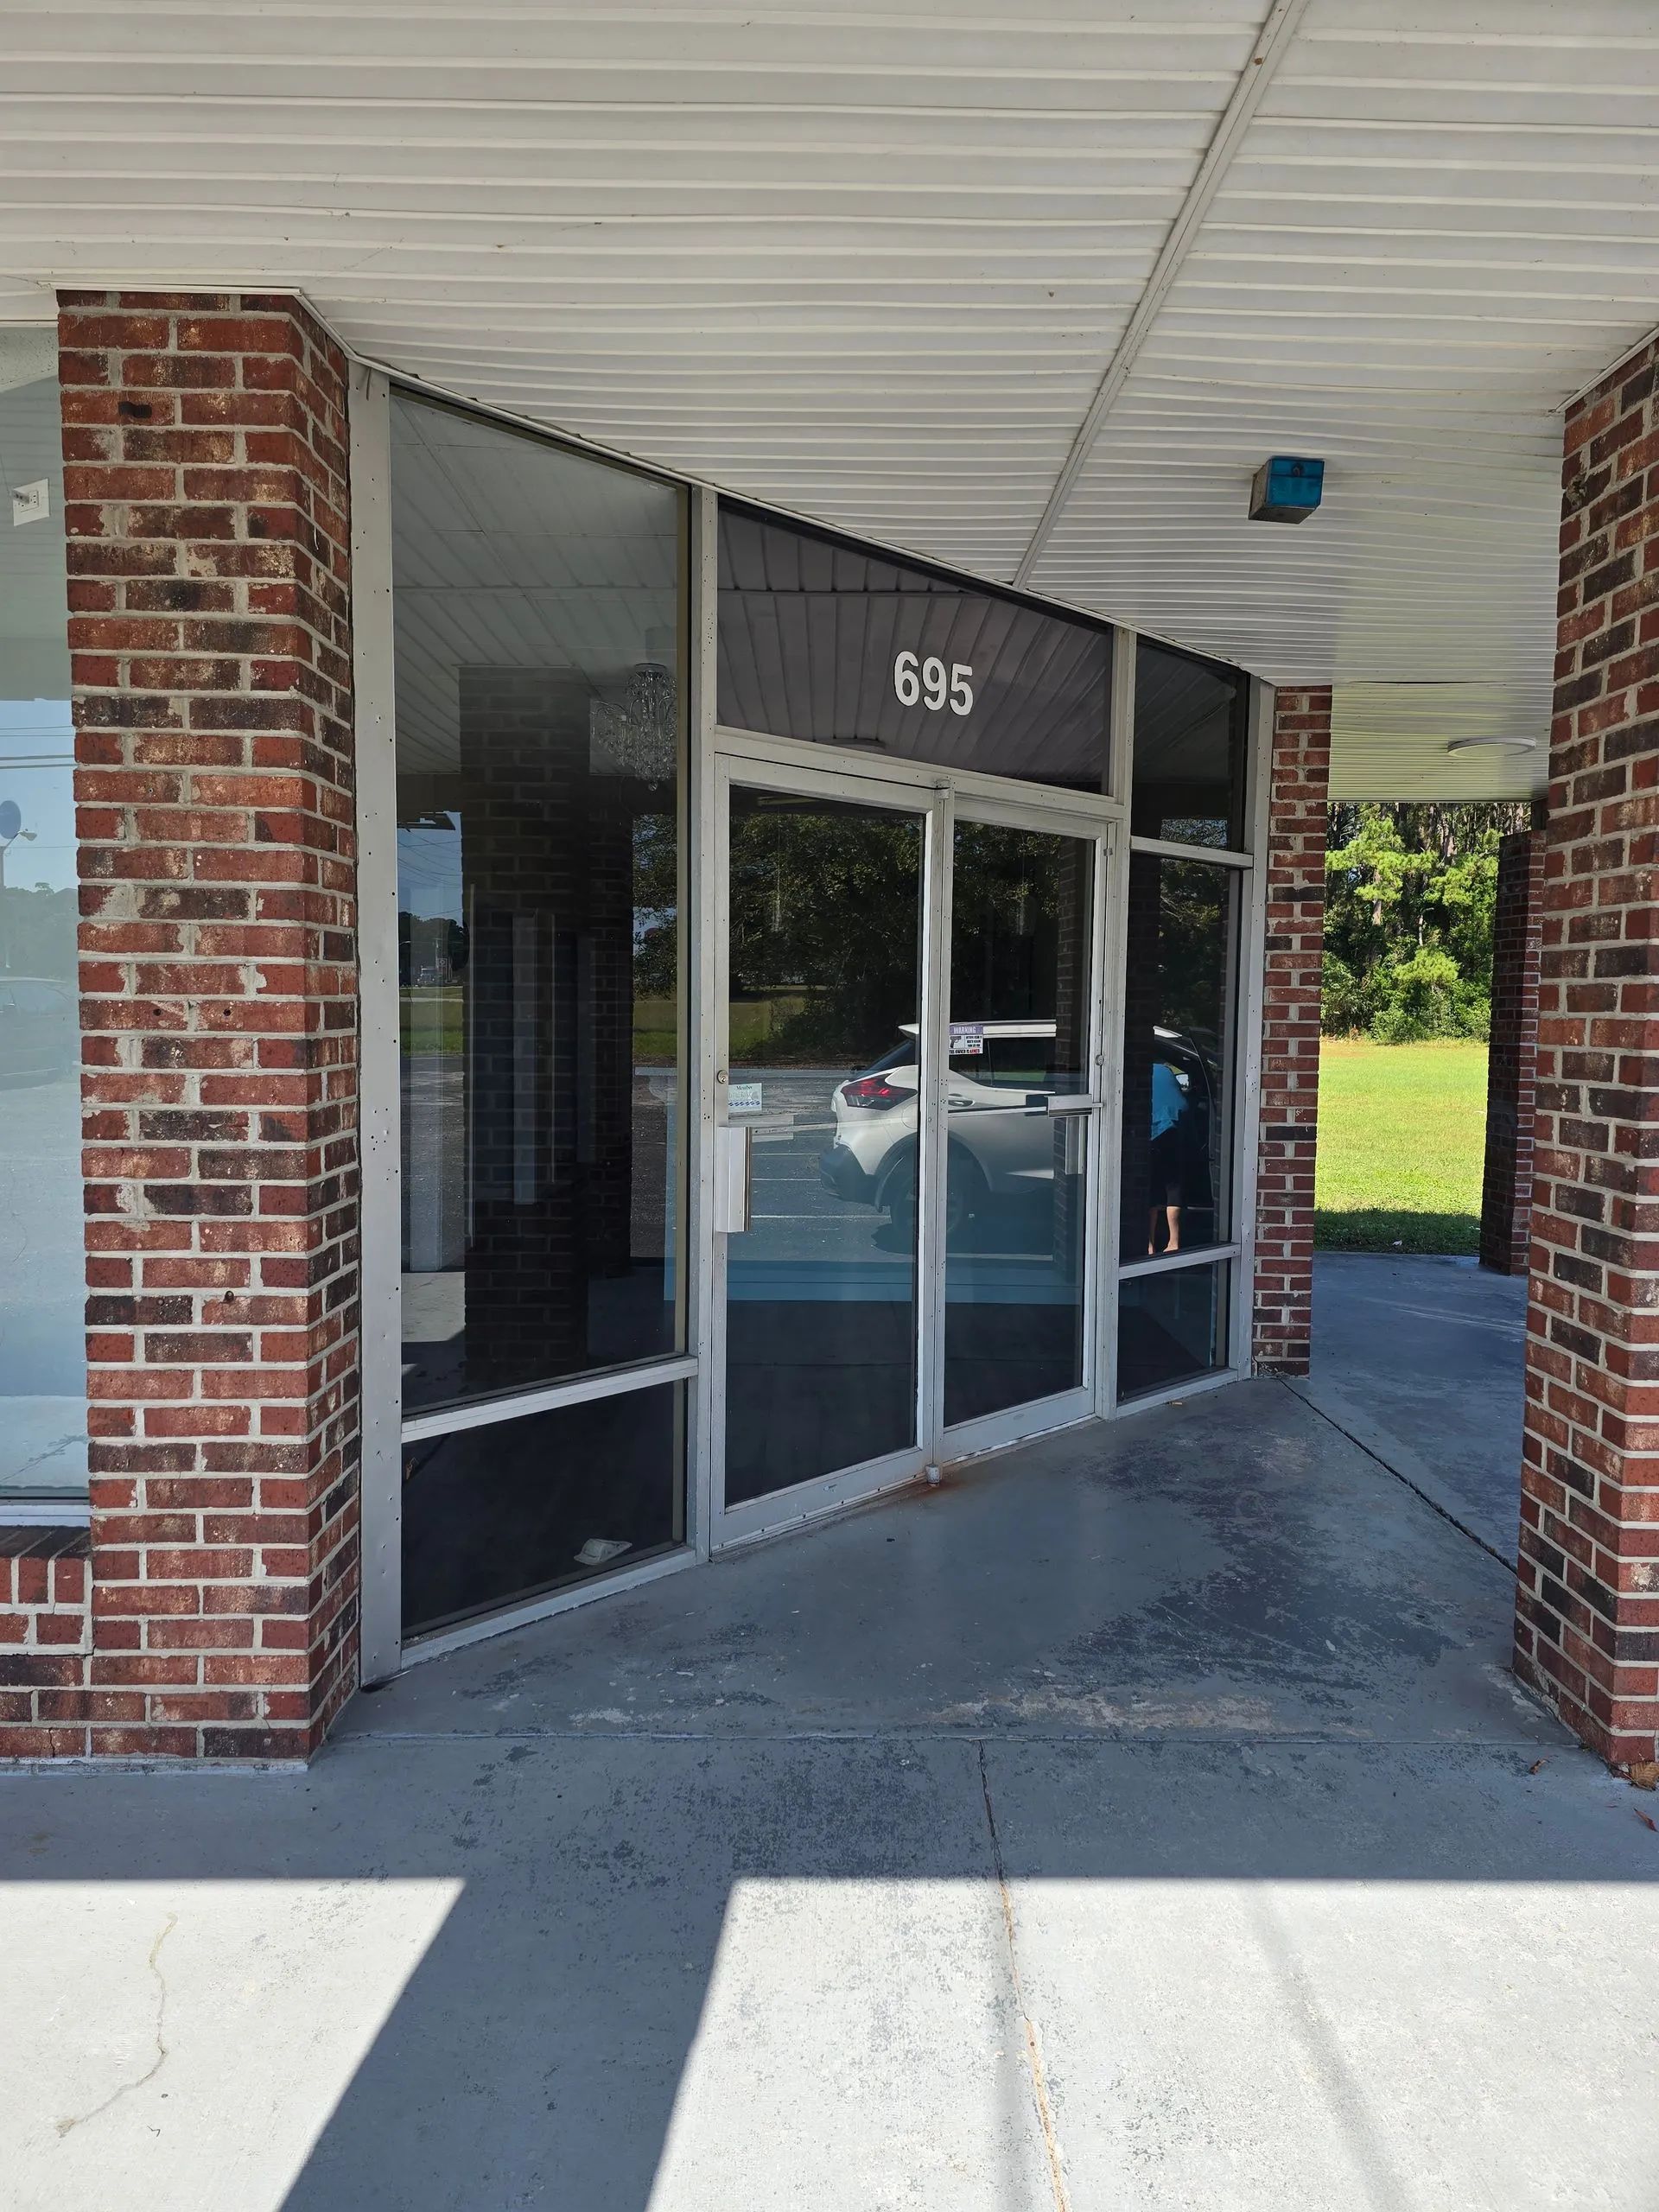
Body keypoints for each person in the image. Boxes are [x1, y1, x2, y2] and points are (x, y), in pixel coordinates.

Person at [1148, 1057, 1190, 1255]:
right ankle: (1174, 1242)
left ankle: (1149, 1244)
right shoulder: (1165, 1070)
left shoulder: (1135, 1071)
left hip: (1152, 1130)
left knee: (1151, 1187)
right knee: (1172, 1184)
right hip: (1173, 1126)